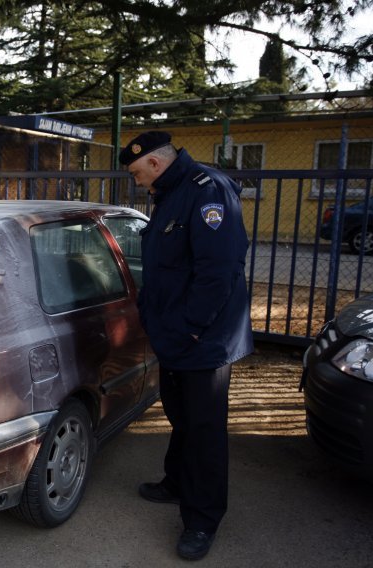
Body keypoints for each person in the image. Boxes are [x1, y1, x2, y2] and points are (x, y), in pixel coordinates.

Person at [118, 131, 254, 561]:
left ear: (156, 164)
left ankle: (202, 519)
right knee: (182, 416)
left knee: (204, 430)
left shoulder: (207, 191)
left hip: (204, 339)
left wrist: (192, 328)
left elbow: (219, 271)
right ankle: (177, 484)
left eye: (138, 173)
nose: (136, 182)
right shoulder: (172, 193)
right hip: (177, 334)